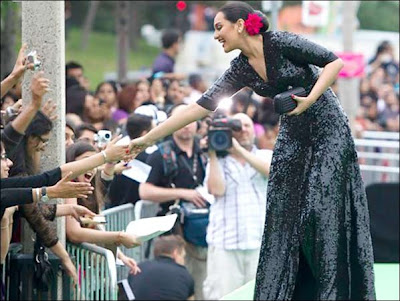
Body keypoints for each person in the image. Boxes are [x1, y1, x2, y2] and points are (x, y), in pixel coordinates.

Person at [129, 2, 376, 300]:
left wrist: (310, 99)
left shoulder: (281, 42)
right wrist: (146, 140)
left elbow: (334, 62)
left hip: (327, 128)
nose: (215, 35)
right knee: (283, 208)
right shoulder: (240, 69)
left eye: (219, 27)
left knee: (320, 208)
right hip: (293, 132)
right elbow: (199, 108)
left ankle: (333, 292)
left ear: (241, 25)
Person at [139, 104, 208, 300]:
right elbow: (144, 191)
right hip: (171, 232)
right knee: (174, 285)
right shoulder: (160, 154)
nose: (186, 124)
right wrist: (183, 193)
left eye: (191, 119)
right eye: (181, 119)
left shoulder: (205, 150)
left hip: (204, 230)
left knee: (203, 284)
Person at [203, 113, 272, 300]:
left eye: (247, 126)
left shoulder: (266, 155)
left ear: (254, 130)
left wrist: (239, 150)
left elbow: (272, 173)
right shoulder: (218, 161)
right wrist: (212, 153)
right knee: (224, 296)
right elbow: (216, 189)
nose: (242, 130)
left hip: (260, 242)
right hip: (225, 243)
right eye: (237, 127)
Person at [128, 235, 195, 300]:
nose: (183, 261)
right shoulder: (184, 275)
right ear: (176, 253)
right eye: (183, 256)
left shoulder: (137, 268)